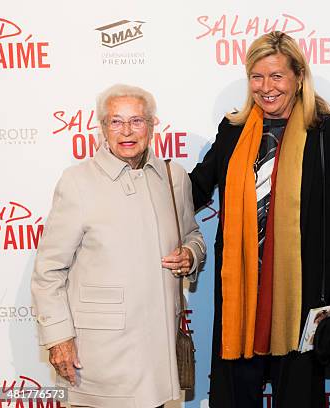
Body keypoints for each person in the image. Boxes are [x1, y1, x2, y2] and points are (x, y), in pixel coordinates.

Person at [189, 31, 330, 408]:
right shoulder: (233, 131)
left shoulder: (327, 133)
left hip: (300, 294)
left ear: (298, 77)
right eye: (257, 76)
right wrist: (142, 175)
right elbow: (197, 188)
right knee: (235, 394)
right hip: (241, 291)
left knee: (298, 393)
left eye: (276, 76)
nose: (266, 88)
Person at [31, 84, 206, 408]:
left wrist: (191, 255)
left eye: (136, 121)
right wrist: (58, 337)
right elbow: (49, 271)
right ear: (102, 128)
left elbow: (192, 234)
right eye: (116, 122)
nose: (126, 131)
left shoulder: (174, 177)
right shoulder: (77, 182)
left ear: (152, 126)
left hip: (157, 353)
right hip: (99, 358)